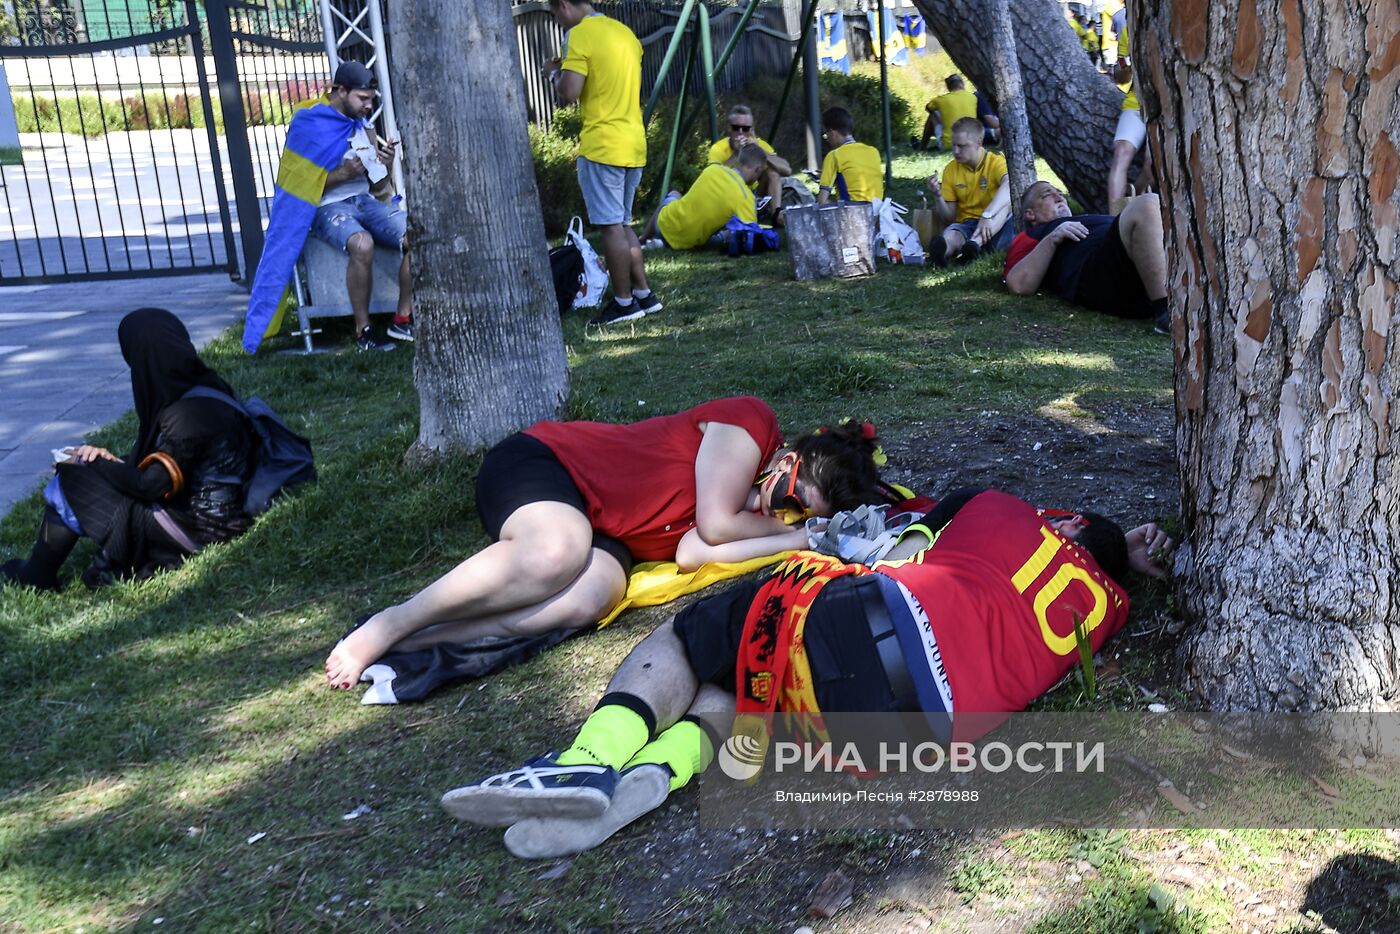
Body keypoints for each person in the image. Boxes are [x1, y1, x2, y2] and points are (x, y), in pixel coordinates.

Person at [440, 487, 1173, 859]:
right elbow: (1104, 574)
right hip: (902, 742)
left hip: (872, 629)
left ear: (1071, 525)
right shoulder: (1107, 614)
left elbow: (917, 520)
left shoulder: (1009, 513)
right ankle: (659, 773)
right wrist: (1127, 565)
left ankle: (586, 761)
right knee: (758, 669)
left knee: (695, 634)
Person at [323, 398, 890, 690]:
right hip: (547, 467)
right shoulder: (748, 425)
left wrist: (797, 540)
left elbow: (696, 553)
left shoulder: (753, 513)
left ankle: (424, 638)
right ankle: (392, 623)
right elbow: (715, 527)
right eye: (792, 492)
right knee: (556, 553)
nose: (779, 508)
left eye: (795, 509)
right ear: (791, 458)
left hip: (604, 528)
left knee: (586, 600)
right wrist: (798, 532)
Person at [1, 309, 256, 592]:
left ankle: (36, 575)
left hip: (201, 530)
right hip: (222, 517)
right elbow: (172, 467)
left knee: (72, 479)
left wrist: (93, 464)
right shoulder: (205, 388)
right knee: (88, 469)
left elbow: (149, 486)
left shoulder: (186, 415)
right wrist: (109, 461)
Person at [545, 0, 661, 327]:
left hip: (602, 145)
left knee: (611, 228)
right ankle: (643, 294)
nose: (558, 21)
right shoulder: (626, 34)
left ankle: (623, 303)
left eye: (555, 14)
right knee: (623, 224)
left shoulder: (580, 35)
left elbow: (570, 92)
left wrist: (555, 73)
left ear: (565, 5)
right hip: (633, 141)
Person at [310, 61, 413, 351]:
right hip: (327, 206)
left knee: (418, 235)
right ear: (340, 91)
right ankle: (363, 330)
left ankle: (402, 320)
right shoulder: (312, 125)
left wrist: (386, 164)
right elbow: (299, 185)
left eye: (371, 100)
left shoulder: (363, 128)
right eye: (362, 98)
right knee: (362, 244)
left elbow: (379, 187)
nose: (368, 106)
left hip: (364, 201)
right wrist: (342, 174)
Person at [1004, 180, 1169, 333]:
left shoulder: (1084, 217)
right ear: (1030, 214)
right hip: (1102, 274)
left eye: (1059, 192)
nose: (1058, 196)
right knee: (1148, 203)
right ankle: (1167, 314)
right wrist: (1053, 238)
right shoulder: (1033, 236)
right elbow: (1018, 284)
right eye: (1047, 194)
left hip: (1144, 267)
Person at [923, 117, 1013, 266]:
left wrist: (987, 214)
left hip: (996, 224)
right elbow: (949, 217)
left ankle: (974, 245)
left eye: (962, 146)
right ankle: (943, 252)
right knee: (952, 233)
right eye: (953, 145)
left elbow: (1009, 184)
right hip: (967, 224)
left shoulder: (996, 162)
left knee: (1006, 206)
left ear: (979, 143)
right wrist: (938, 196)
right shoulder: (951, 169)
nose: (955, 151)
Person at [641, 144, 767, 250]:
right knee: (730, 233)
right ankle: (663, 243)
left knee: (674, 195)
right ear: (757, 169)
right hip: (690, 243)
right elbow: (751, 231)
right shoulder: (745, 197)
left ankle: (643, 238)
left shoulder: (712, 169)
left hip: (663, 225)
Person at [706, 105, 794, 226]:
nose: (741, 132)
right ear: (729, 128)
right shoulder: (718, 148)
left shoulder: (759, 144)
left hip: (758, 193)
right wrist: (736, 154)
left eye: (745, 128)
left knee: (773, 171)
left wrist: (760, 150)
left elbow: (787, 170)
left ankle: (776, 215)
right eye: (736, 128)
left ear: (752, 130)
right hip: (731, 194)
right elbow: (713, 178)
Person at [1106, 22, 1152, 212]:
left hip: (1168, 109)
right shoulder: (1129, 28)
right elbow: (1122, 78)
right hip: (1137, 102)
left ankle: (1134, 203)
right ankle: (1115, 218)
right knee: (1121, 153)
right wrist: (1122, 66)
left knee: (1153, 166)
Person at [817, 107, 884, 204]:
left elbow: (822, 202)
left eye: (826, 135)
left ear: (832, 132)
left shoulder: (834, 155)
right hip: (878, 214)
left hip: (852, 214)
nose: (826, 139)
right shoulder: (873, 152)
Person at [919, 74, 978, 151]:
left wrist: (943, 117)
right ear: (962, 84)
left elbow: (928, 107)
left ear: (948, 87)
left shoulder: (941, 100)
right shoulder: (973, 98)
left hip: (950, 145)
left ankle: (922, 146)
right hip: (972, 143)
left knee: (933, 115)